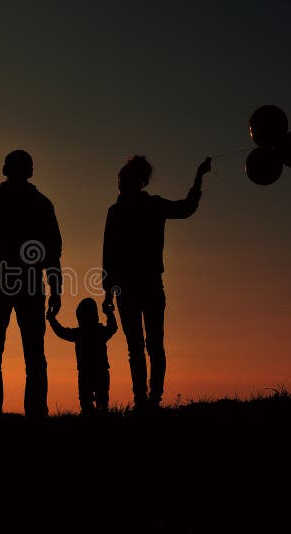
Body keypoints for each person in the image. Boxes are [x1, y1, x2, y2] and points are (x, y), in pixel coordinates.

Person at [102, 155, 211, 409]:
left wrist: (198, 177)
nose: (120, 181)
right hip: (132, 287)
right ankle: (144, 398)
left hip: (146, 284)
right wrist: (108, 292)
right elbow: (109, 255)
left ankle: (151, 398)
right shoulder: (118, 211)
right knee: (142, 347)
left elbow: (186, 209)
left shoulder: (146, 206)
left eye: (125, 177)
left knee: (149, 345)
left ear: (139, 181)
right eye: (120, 176)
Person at [0, 149, 62, 417]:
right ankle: (20, 410)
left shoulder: (0, 199)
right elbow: (53, 251)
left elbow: (52, 250)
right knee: (22, 351)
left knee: (3, 350)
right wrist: (56, 289)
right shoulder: (38, 203)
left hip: (13, 279)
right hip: (21, 280)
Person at [47, 297, 117, 415]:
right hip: (101, 372)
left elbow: (62, 332)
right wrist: (109, 313)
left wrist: (52, 320)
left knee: (87, 402)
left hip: (86, 373)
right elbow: (113, 327)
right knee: (101, 401)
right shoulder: (100, 332)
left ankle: (91, 415)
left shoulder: (79, 333)